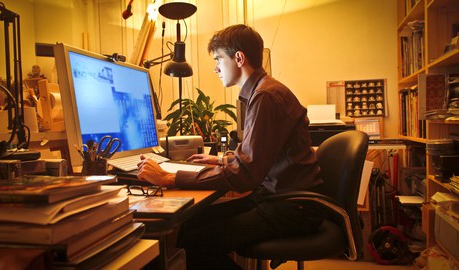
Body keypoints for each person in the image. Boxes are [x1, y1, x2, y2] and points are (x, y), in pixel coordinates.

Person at [137, 24, 324, 269]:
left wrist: (171, 178)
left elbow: (246, 175)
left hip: (292, 207)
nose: (215, 67)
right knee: (191, 224)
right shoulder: (264, 90)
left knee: (195, 241)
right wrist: (222, 161)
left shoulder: (265, 96)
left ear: (238, 58)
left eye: (218, 59)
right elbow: (260, 154)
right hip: (283, 199)